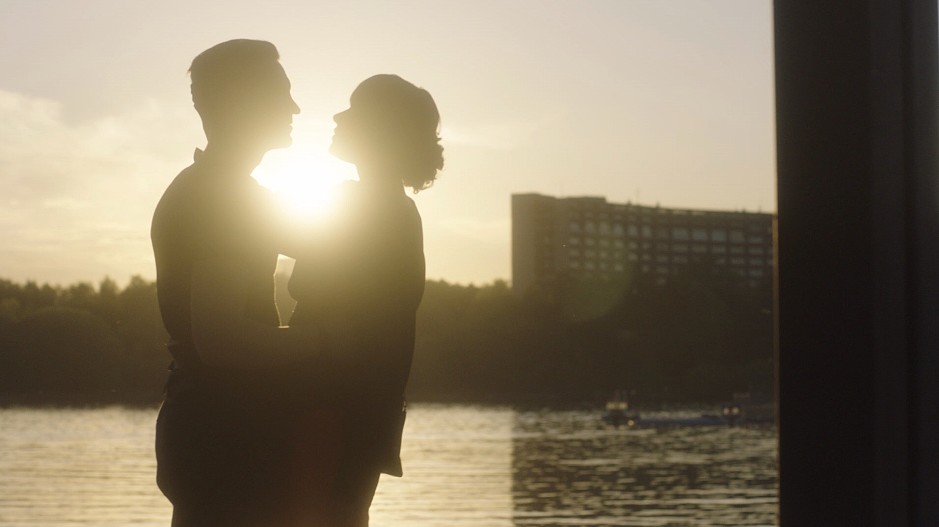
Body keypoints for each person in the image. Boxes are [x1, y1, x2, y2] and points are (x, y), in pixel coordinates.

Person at [151, 39, 330, 527]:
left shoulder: (229, 192)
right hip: (225, 439)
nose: (295, 108)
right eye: (282, 93)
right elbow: (222, 340)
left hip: (216, 429)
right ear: (244, 102)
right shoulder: (221, 198)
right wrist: (327, 341)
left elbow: (323, 242)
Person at [286, 74, 444, 526]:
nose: (338, 116)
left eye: (354, 110)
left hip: (331, 415)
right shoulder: (384, 207)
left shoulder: (371, 210)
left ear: (381, 130)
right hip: (352, 417)